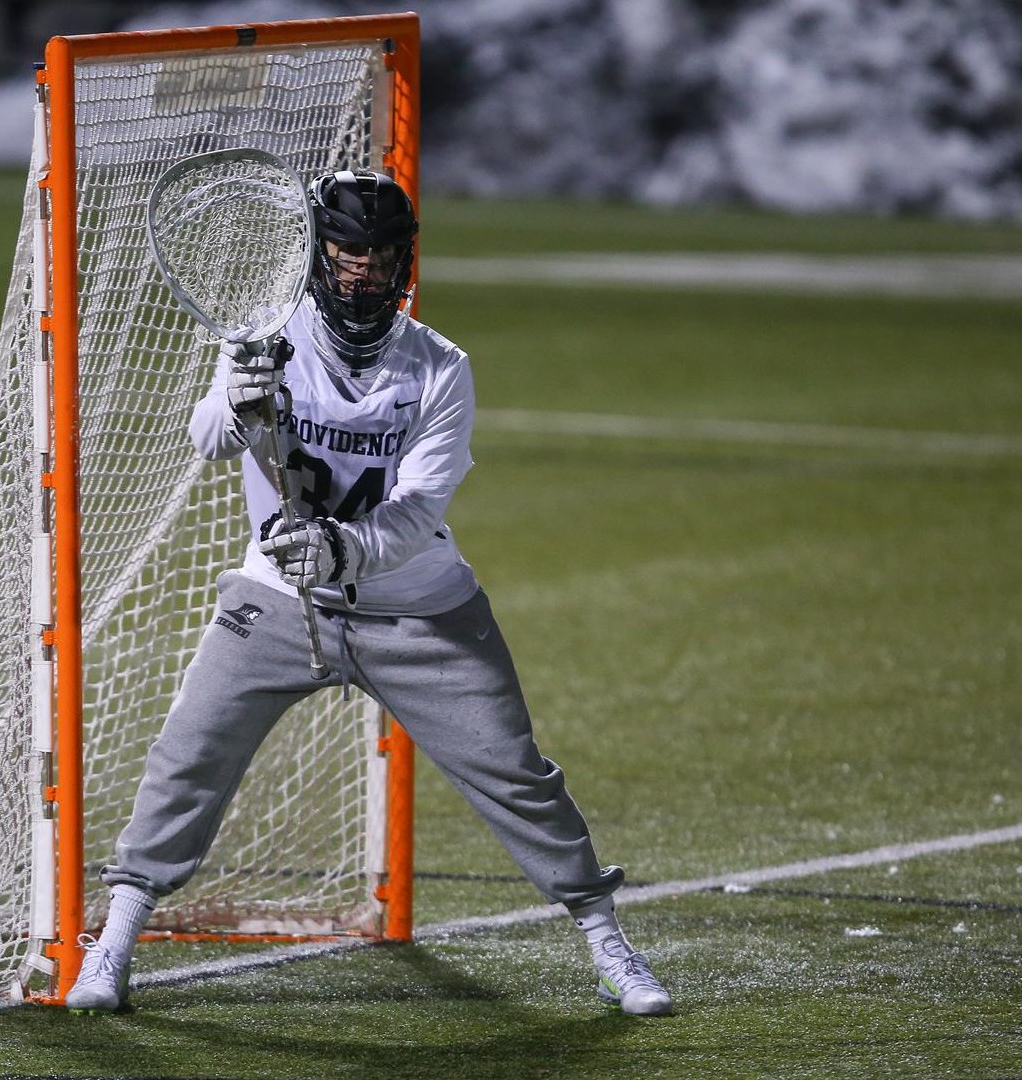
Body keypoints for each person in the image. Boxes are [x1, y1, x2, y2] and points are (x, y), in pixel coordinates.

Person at [65, 169, 672, 1017]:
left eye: (382, 257)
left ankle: (607, 941)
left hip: (418, 611)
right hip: (276, 603)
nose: (366, 272)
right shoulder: (265, 335)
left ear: (405, 261)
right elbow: (207, 441)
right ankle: (116, 946)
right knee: (188, 756)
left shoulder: (440, 368)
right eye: (349, 254)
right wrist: (239, 403)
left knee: (516, 773)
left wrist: (341, 547)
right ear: (319, 253)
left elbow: (420, 511)